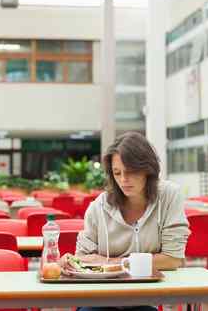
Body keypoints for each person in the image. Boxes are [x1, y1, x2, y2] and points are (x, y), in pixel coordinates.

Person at [60, 131, 190, 311]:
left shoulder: (169, 196)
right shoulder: (99, 207)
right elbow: (83, 260)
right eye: (117, 172)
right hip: (101, 298)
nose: (123, 180)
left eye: (131, 172)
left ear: (147, 169)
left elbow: (172, 259)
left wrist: (113, 262)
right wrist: (71, 261)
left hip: (145, 299)